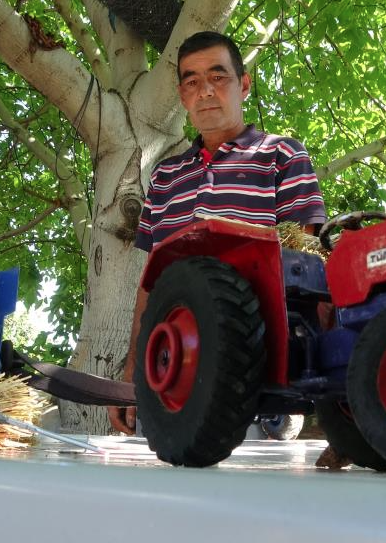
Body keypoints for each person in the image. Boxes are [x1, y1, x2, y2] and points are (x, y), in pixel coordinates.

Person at [108, 31, 326, 435]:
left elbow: (305, 259)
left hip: (257, 380)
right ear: (182, 96)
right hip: (175, 375)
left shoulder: (282, 155)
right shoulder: (165, 177)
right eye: (191, 81)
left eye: (218, 76)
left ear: (244, 85)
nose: (205, 90)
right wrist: (133, 373)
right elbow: (150, 286)